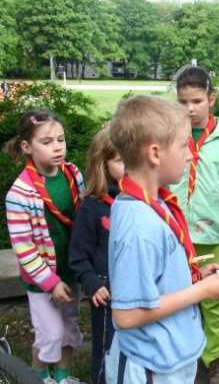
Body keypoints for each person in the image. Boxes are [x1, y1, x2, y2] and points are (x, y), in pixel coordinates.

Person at [104, 95, 219, 383]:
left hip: (169, 355)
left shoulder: (155, 203)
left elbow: (155, 276)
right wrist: (202, 292)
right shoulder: (139, 224)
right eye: (183, 145)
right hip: (151, 364)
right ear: (155, 154)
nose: (191, 154)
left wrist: (196, 278)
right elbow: (127, 316)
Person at [168, 66, 219, 384]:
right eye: (183, 102)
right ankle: (181, 352)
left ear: (211, 99)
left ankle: (216, 358)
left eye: (197, 101)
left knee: (212, 301)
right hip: (174, 233)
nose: (190, 109)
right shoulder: (172, 138)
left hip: (210, 234)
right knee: (176, 296)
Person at [5, 109, 85, 384]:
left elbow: (83, 218)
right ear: (27, 147)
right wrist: (50, 282)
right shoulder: (19, 194)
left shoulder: (73, 174)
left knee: (68, 329)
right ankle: (38, 378)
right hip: (43, 281)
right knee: (49, 334)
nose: (57, 147)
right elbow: (24, 249)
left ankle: (63, 377)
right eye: (47, 142)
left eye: (61, 140)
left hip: (70, 271)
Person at [68, 129, 124, 384]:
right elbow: (78, 256)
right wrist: (93, 284)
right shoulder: (91, 208)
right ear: (103, 164)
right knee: (106, 349)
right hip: (107, 294)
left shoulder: (139, 201)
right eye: (120, 160)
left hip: (134, 291)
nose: (129, 165)